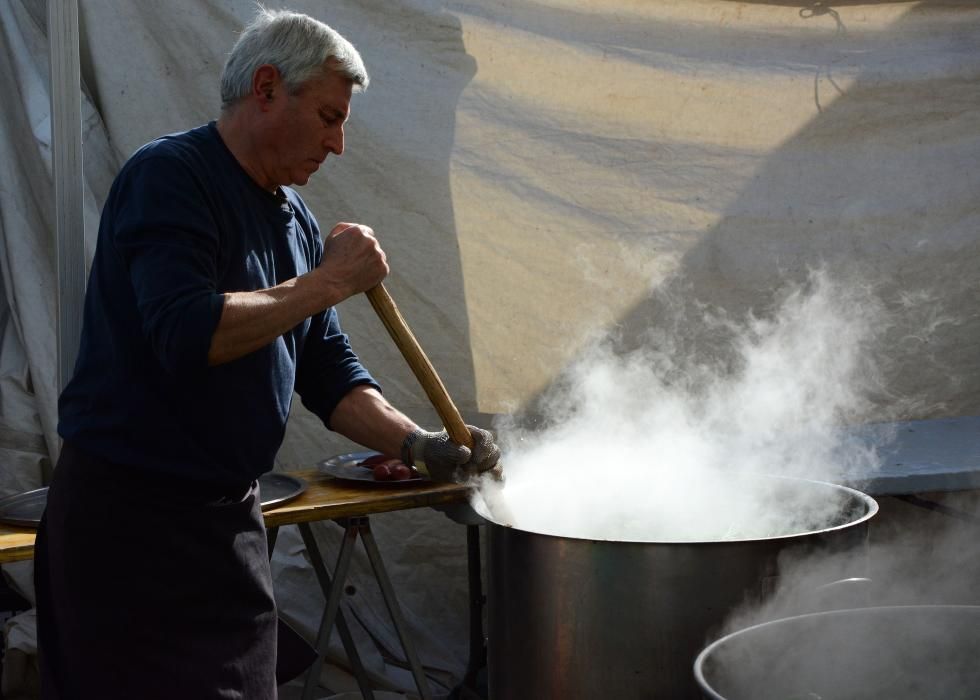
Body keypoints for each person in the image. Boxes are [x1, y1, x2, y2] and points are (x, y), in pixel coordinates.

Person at [34, 8, 499, 699]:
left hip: (227, 529)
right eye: (328, 116)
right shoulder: (171, 177)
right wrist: (330, 280)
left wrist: (420, 445)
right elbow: (188, 332)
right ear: (266, 88)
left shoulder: (294, 220)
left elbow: (329, 374)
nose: (339, 143)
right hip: (128, 530)